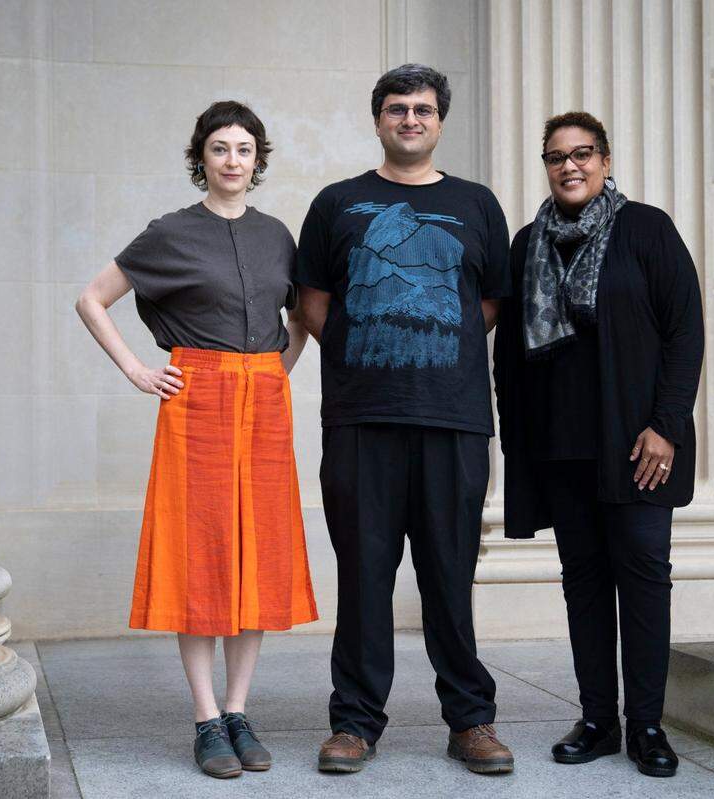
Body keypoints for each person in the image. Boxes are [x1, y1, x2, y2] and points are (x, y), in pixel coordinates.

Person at [74, 101, 318, 780]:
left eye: (244, 149)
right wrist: (136, 369)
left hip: (262, 400)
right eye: (220, 148)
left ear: (258, 160)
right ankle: (206, 718)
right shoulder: (170, 233)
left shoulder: (278, 236)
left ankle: (240, 709)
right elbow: (93, 297)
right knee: (202, 551)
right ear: (201, 158)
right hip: (198, 398)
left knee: (256, 550)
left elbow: (298, 315)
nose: (232, 160)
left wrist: (274, 373)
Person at [295, 64, 513, 775]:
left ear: (440, 121)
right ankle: (355, 722)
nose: (410, 119)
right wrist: (369, 349)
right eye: (397, 108)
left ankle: (471, 719)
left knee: (451, 575)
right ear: (379, 118)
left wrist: (431, 346)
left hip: (453, 420)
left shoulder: (477, 204)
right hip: (361, 419)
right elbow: (314, 302)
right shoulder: (338, 203)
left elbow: (486, 306)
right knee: (363, 575)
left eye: (422, 109)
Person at [493, 111, 704, 779]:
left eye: (583, 154)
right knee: (584, 582)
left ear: (606, 161)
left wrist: (667, 423)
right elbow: (509, 357)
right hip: (561, 446)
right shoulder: (529, 243)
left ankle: (646, 722)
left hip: (639, 446)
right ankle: (597, 718)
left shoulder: (647, 230)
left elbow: (685, 331)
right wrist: (518, 441)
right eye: (556, 156)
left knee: (643, 578)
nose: (569, 166)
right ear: (547, 166)